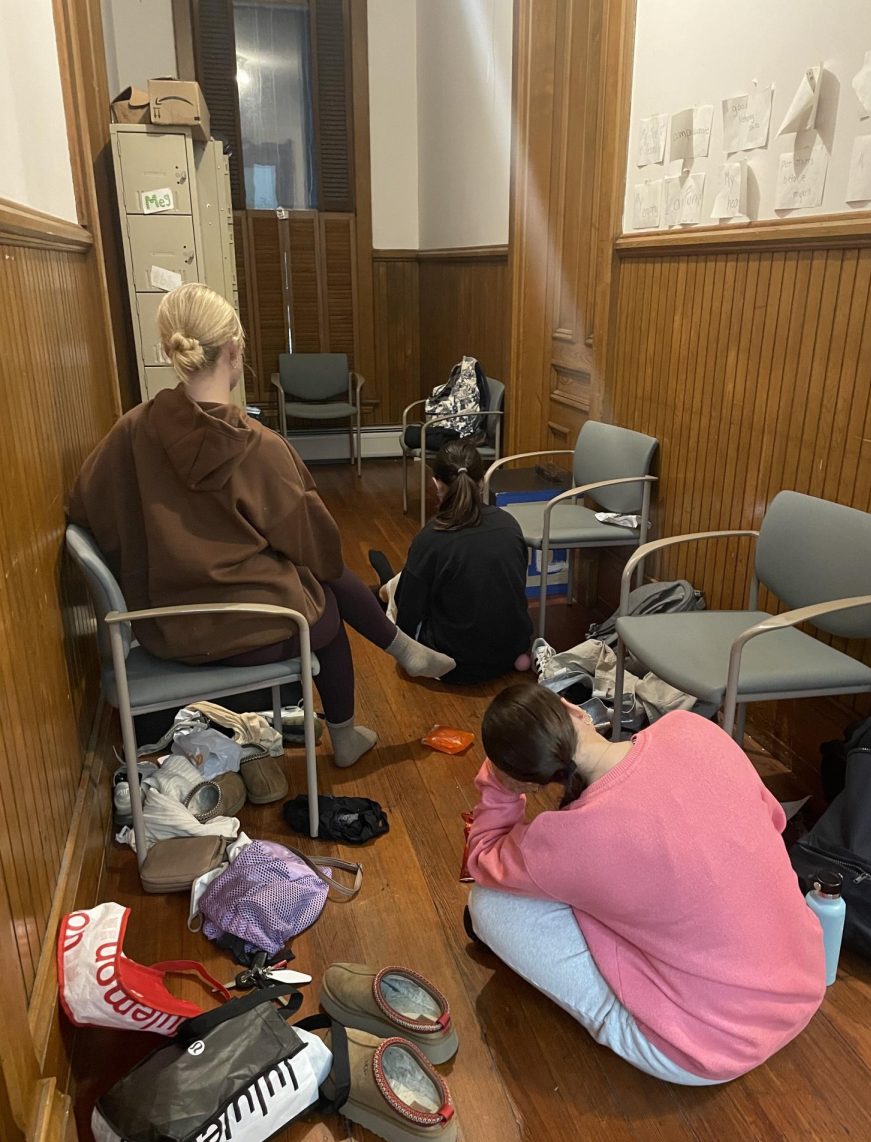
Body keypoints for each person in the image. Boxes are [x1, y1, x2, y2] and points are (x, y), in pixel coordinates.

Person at [67, 283, 455, 767]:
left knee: (314, 587)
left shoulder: (128, 432)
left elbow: (84, 508)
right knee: (325, 604)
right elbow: (320, 548)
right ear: (233, 351)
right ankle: (352, 726)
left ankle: (400, 652)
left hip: (161, 626)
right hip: (244, 634)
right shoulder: (258, 446)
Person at [466, 683, 826, 1085]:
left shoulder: (562, 840)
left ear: (530, 780)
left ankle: (632, 1012)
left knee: (488, 905)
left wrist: (498, 781)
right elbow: (774, 821)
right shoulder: (692, 729)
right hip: (804, 981)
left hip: (708, 1048)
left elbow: (482, 856)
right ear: (575, 710)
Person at [370, 440, 533, 684]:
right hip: (510, 652)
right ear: (482, 481)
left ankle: (385, 590)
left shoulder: (431, 538)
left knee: (406, 585)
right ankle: (386, 587)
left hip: (453, 664)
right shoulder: (509, 524)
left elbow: (408, 617)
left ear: (436, 484)